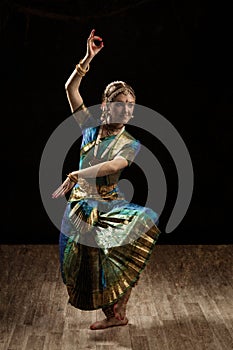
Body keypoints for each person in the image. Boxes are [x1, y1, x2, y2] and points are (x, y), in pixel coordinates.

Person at [52, 29, 161, 330]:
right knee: (80, 264)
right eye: (121, 103)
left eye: (131, 105)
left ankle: (119, 312)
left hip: (109, 207)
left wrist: (77, 174)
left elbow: (112, 164)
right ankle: (112, 315)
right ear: (106, 105)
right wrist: (87, 58)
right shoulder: (90, 126)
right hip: (79, 209)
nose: (126, 109)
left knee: (124, 253)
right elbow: (70, 90)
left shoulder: (130, 142)